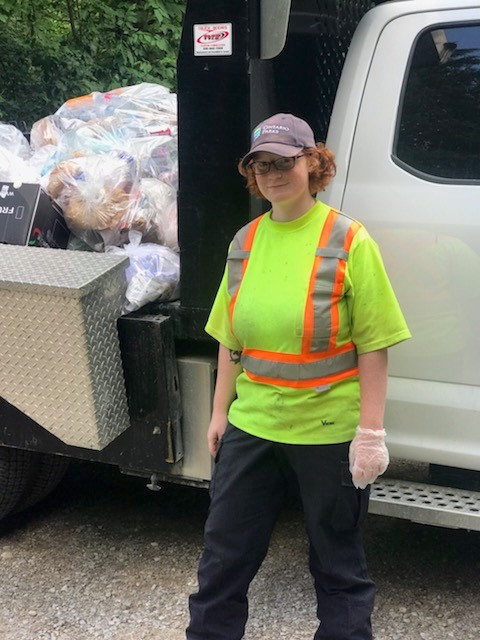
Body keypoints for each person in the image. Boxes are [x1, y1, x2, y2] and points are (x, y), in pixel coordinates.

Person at [186, 113, 411, 640]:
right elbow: (230, 339)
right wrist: (219, 412)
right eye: (261, 165)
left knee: (338, 570)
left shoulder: (348, 240)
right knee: (222, 564)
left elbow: (374, 344)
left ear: (313, 162)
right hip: (253, 427)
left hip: (327, 431)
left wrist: (370, 433)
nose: (273, 173)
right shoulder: (245, 240)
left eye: (285, 161)